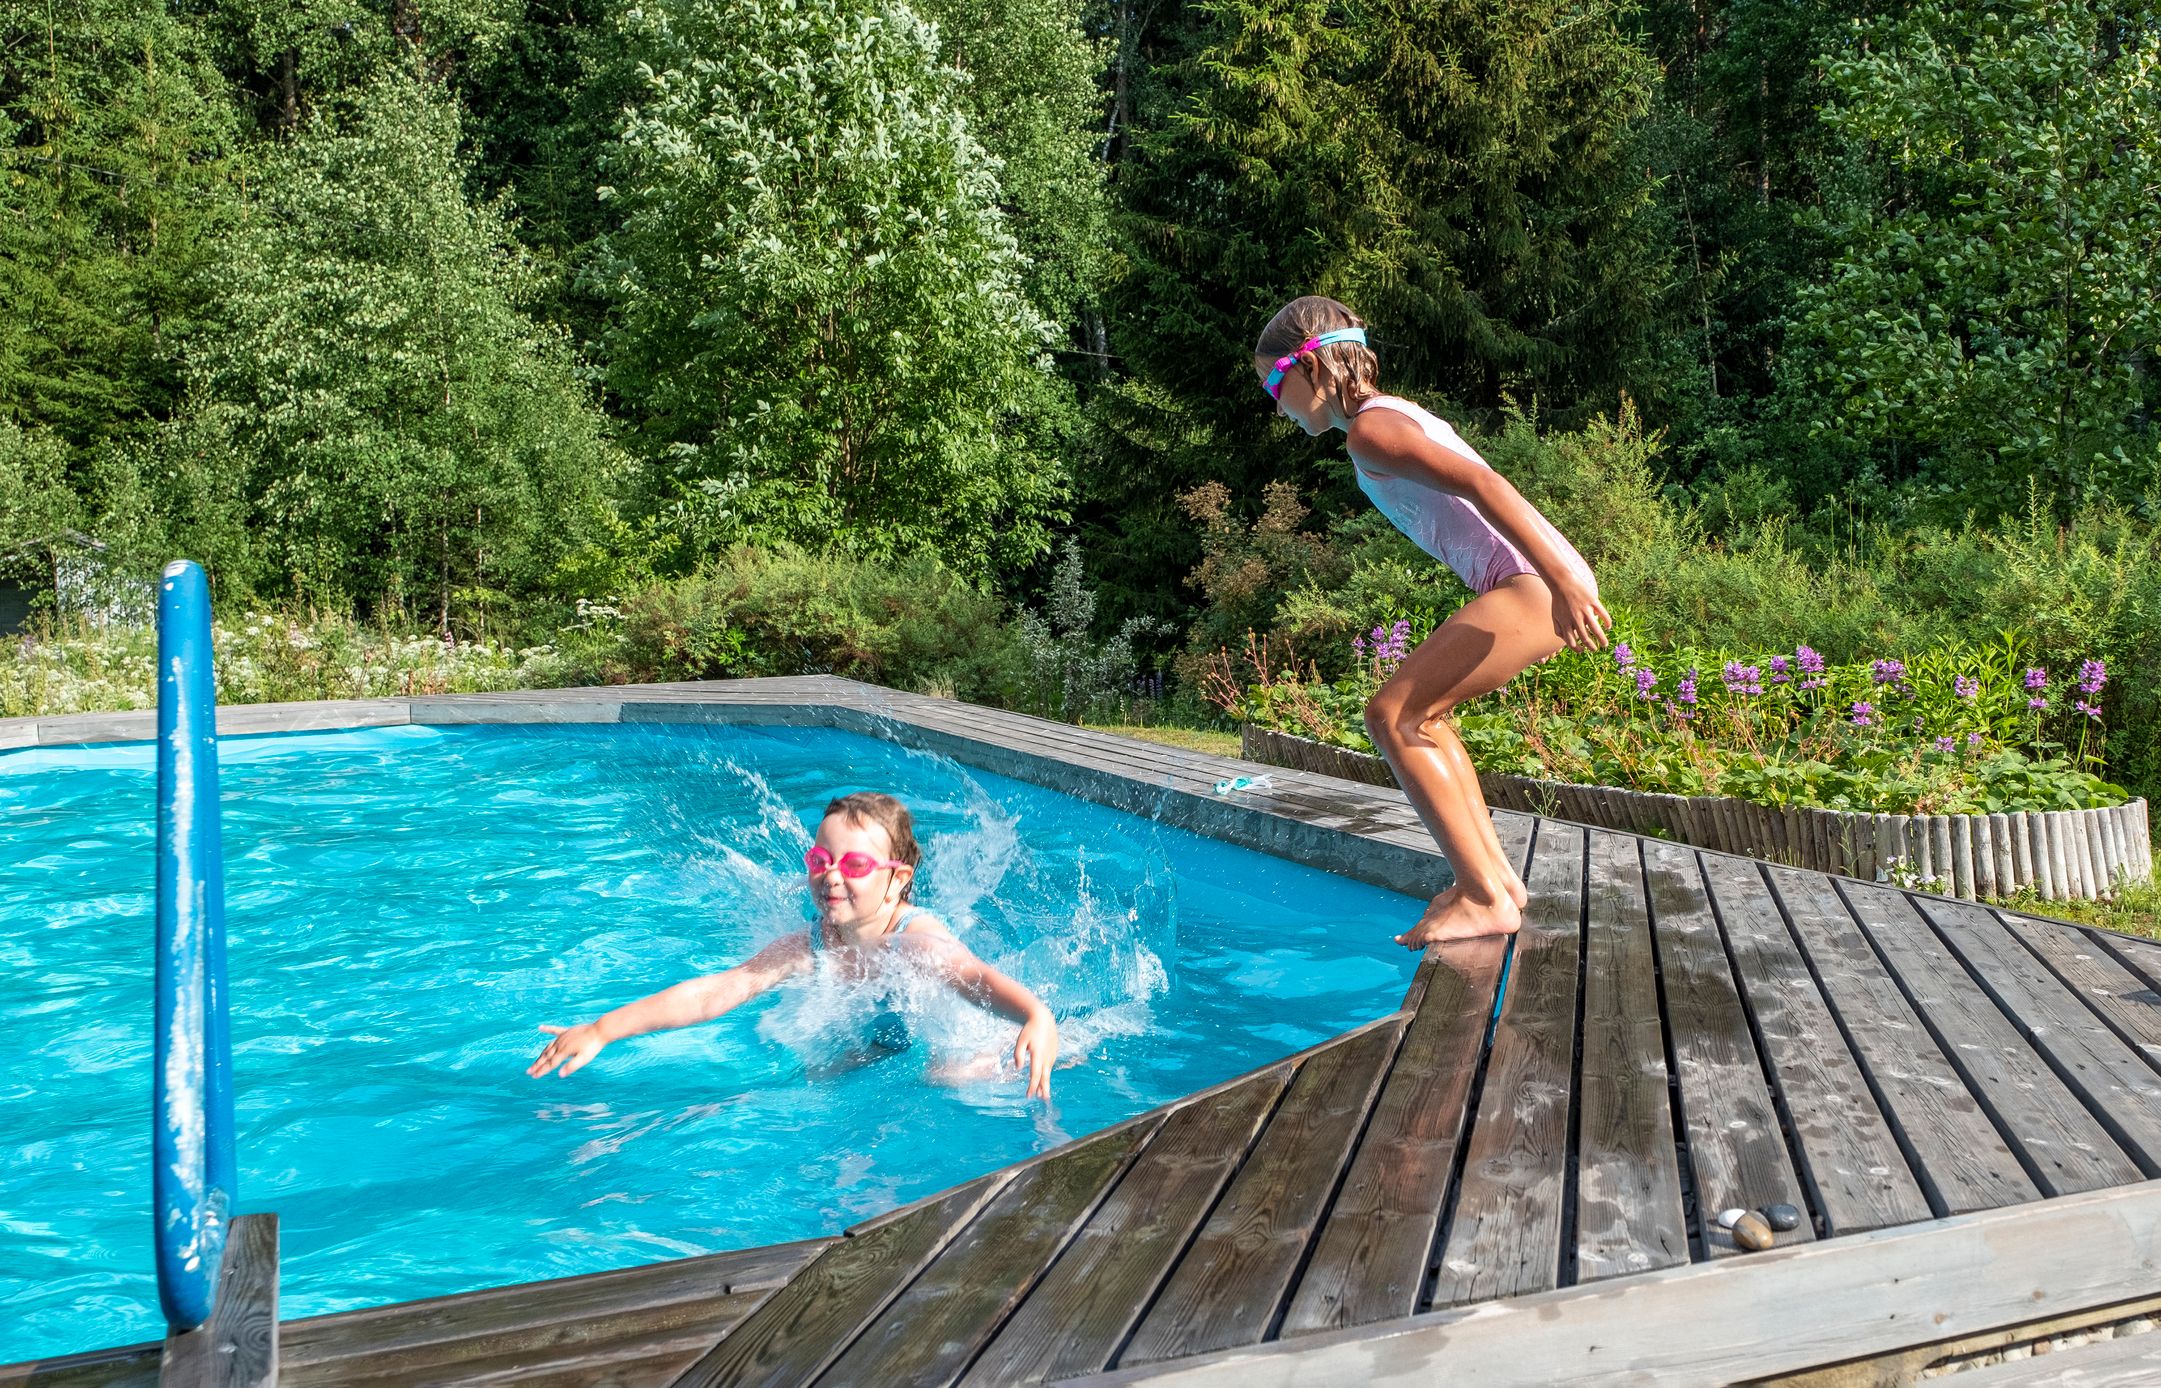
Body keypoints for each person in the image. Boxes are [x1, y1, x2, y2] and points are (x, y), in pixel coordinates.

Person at [1253, 296, 1611, 944]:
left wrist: (1560, 582)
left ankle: (1484, 895)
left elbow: (1486, 483)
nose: (1273, 404)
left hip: (1533, 584)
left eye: (1273, 384)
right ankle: (1493, 881)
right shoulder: (1382, 421)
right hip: (1534, 579)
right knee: (1419, 715)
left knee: (1388, 715)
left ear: (1309, 369)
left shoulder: (1371, 429)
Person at [527, 791, 1061, 1096]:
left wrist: (1036, 1015)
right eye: (820, 861)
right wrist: (603, 1029)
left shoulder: (915, 942)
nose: (831, 876)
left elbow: (975, 979)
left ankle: (1055, 1052)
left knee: (942, 1077)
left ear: (898, 879)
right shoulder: (811, 943)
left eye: (854, 865)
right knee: (819, 1076)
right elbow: (720, 990)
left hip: (955, 1034)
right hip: (882, 1031)